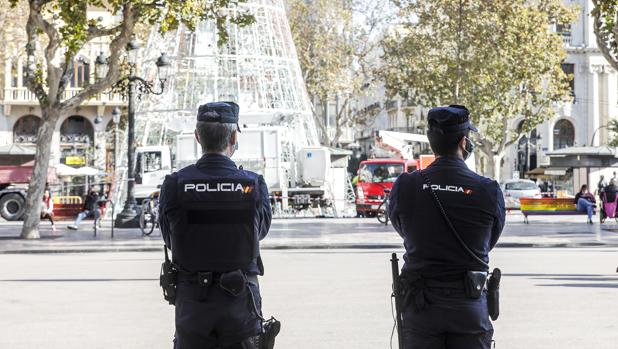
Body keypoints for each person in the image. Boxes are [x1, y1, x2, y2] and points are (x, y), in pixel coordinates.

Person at [389, 105, 505, 349]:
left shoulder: (406, 186)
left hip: (422, 308)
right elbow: (489, 239)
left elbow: (402, 228)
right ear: (464, 142)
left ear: (432, 143)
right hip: (469, 307)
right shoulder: (487, 189)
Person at [159, 101, 272, 349]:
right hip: (240, 303)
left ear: (197, 136)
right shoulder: (253, 184)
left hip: (192, 307)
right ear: (233, 136)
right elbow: (259, 232)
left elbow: (169, 237)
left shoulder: (174, 185)